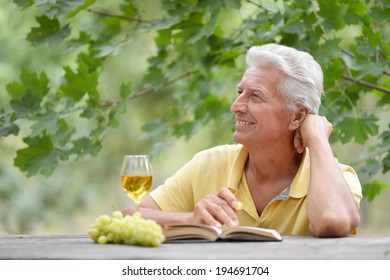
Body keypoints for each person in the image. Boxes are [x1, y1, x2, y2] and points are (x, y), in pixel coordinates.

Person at [123, 43, 362, 237]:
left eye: (255, 97)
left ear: (298, 116)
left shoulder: (339, 179)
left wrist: (317, 139)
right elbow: (130, 216)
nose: (235, 106)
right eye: (240, 93)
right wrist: (191, 220)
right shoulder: (208, 164)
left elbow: (332, 222)